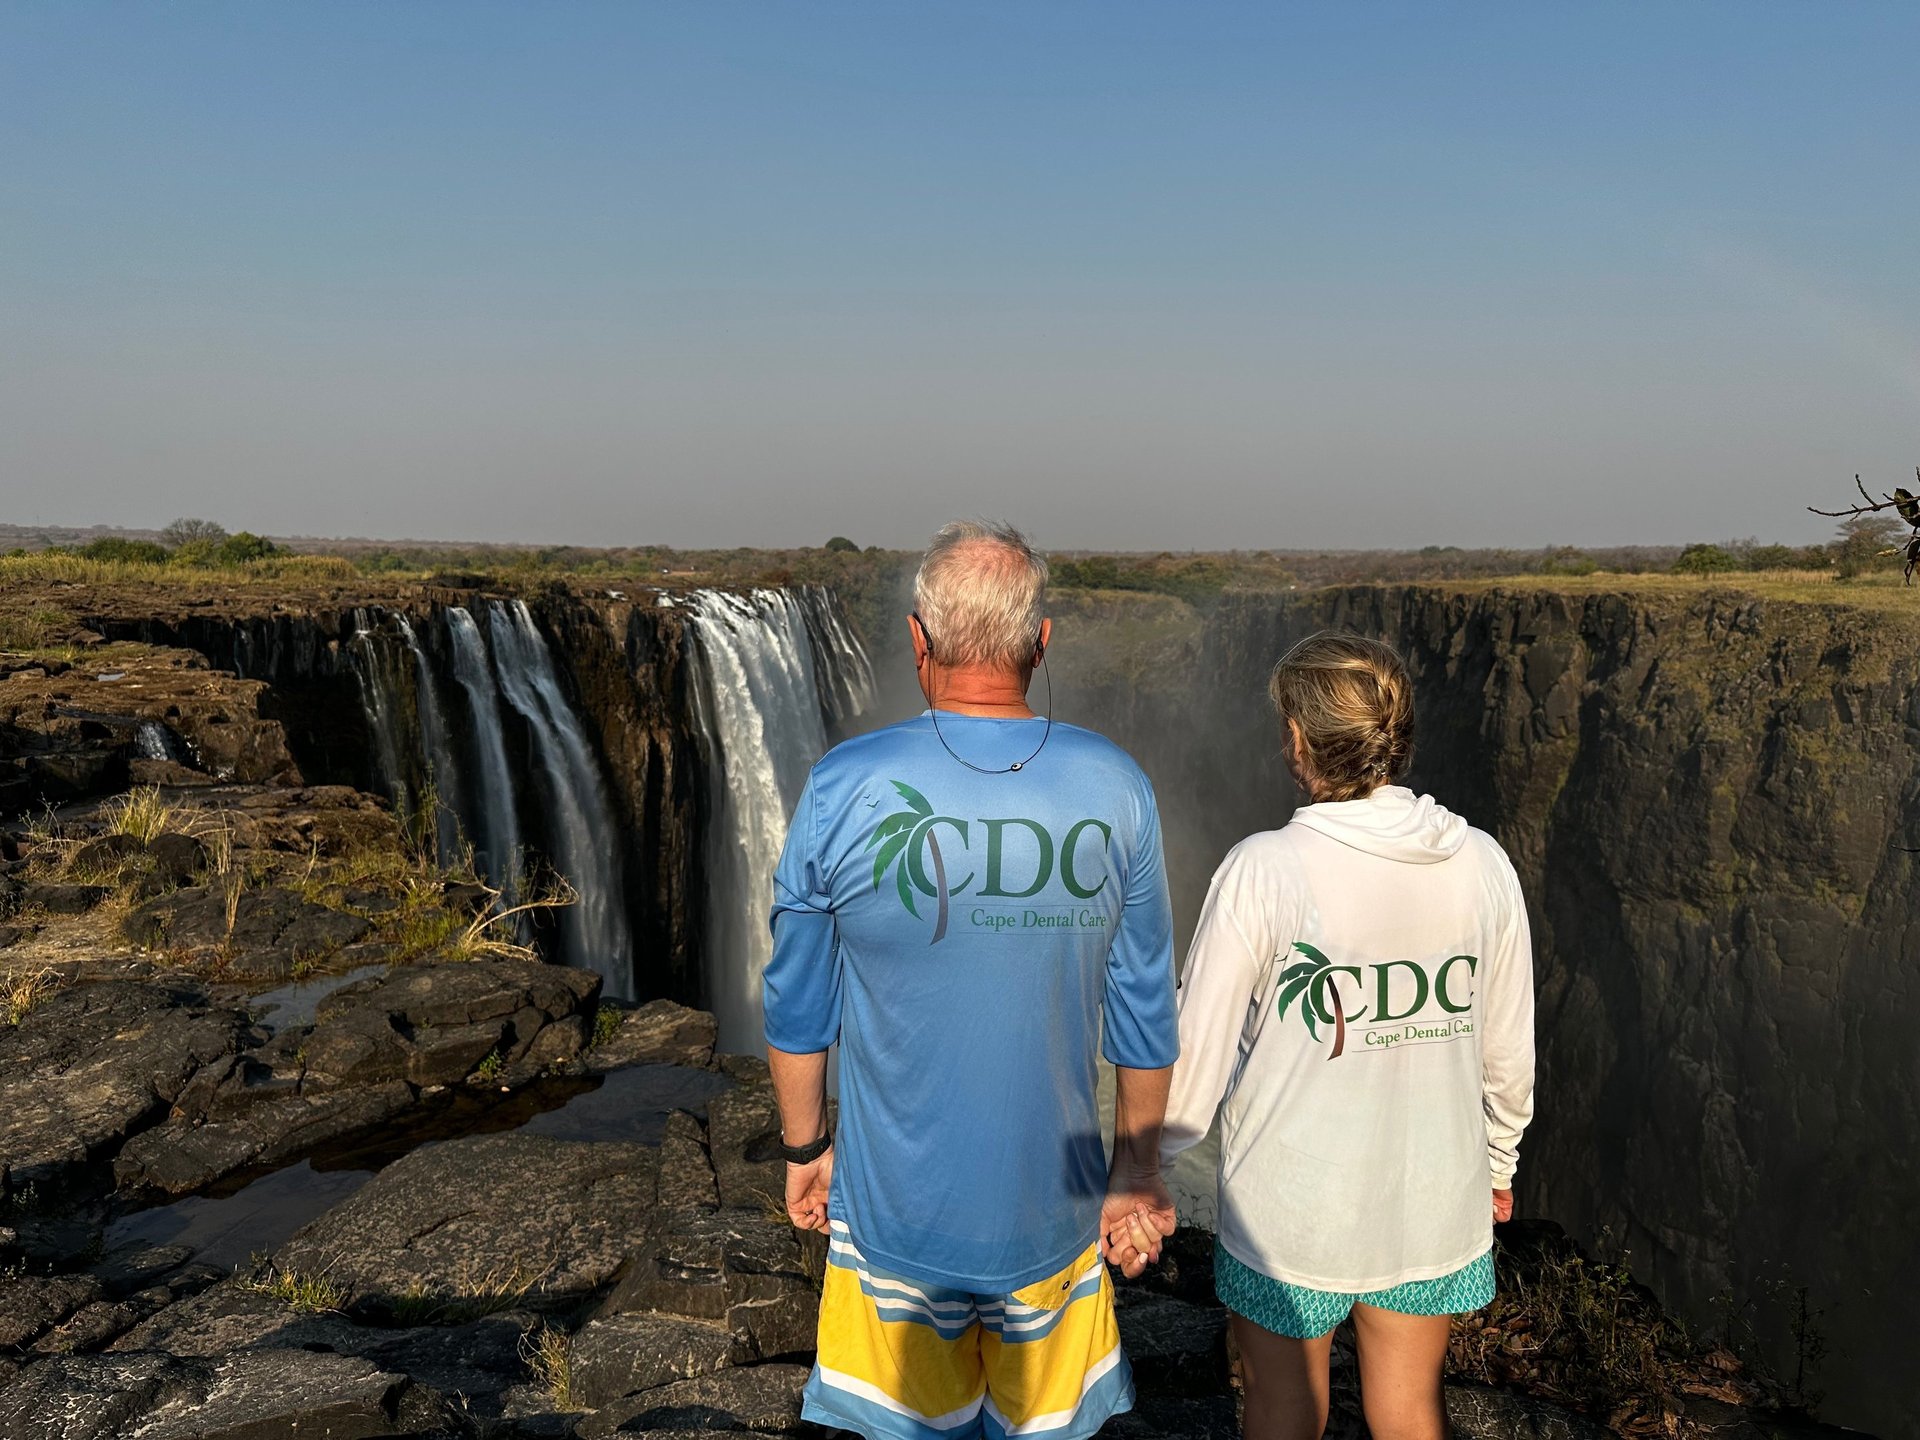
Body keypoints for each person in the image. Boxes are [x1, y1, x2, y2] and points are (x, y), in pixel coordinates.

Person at [763, 520, 1181, 1440]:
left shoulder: (842, 785)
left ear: (918, 639)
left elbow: (798, 1005)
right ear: (1041, 642)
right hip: (1055, 1221)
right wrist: (1136, 1172)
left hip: (892, 1225)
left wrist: (805, 1150)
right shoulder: (1117, 787)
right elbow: (1145, 1008)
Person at [1159, 631, 1535, 1440]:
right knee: (1410, 1412)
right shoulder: (1483, 862)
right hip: (1429, 1203)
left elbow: (1195, 1062)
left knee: (1285, 1413)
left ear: (1298, 738)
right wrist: (1498, 1163)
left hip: (1289, 1217)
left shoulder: (1264, 870)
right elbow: (1507, 1051)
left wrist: (1143, 1170)